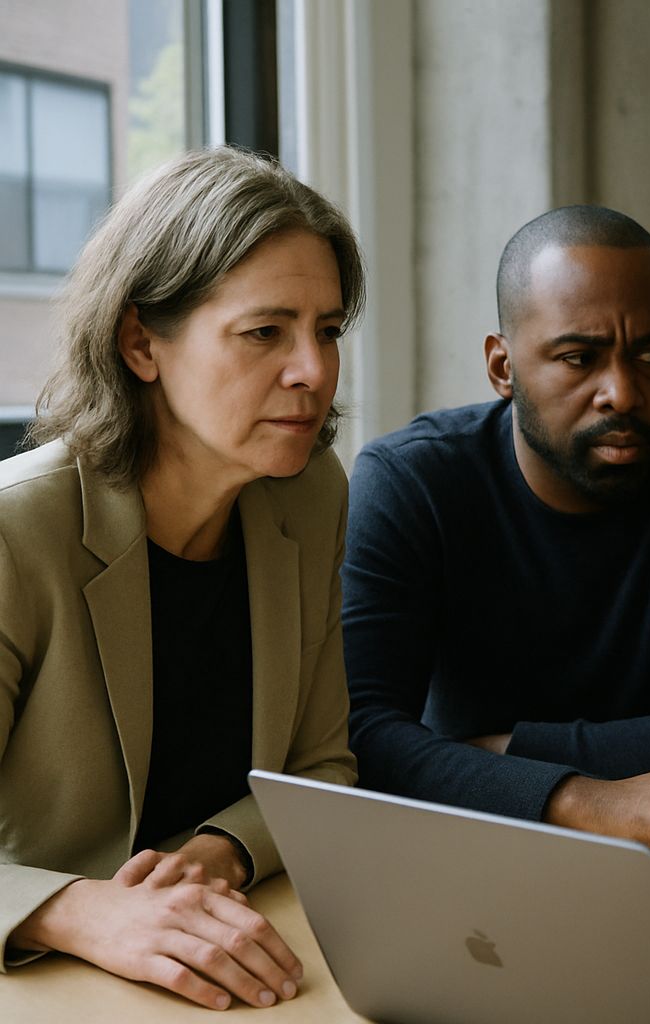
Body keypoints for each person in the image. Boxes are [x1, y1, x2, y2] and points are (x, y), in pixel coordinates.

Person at [342, 205, 650, 862]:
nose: (622, 393)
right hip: (479, 857)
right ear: (502, 368)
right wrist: (579, 799)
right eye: (579, 358)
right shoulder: (412, 483)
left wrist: (504, 752)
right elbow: (361, 741)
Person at [0, 147, 362, 1009]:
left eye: (329, 330)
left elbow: (322, 769)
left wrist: (220, 850)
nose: (313, 371)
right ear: (140, 344)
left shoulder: (308, 494)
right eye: (266, 331)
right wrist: (73, 912)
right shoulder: (18, 532)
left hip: (219, 949)